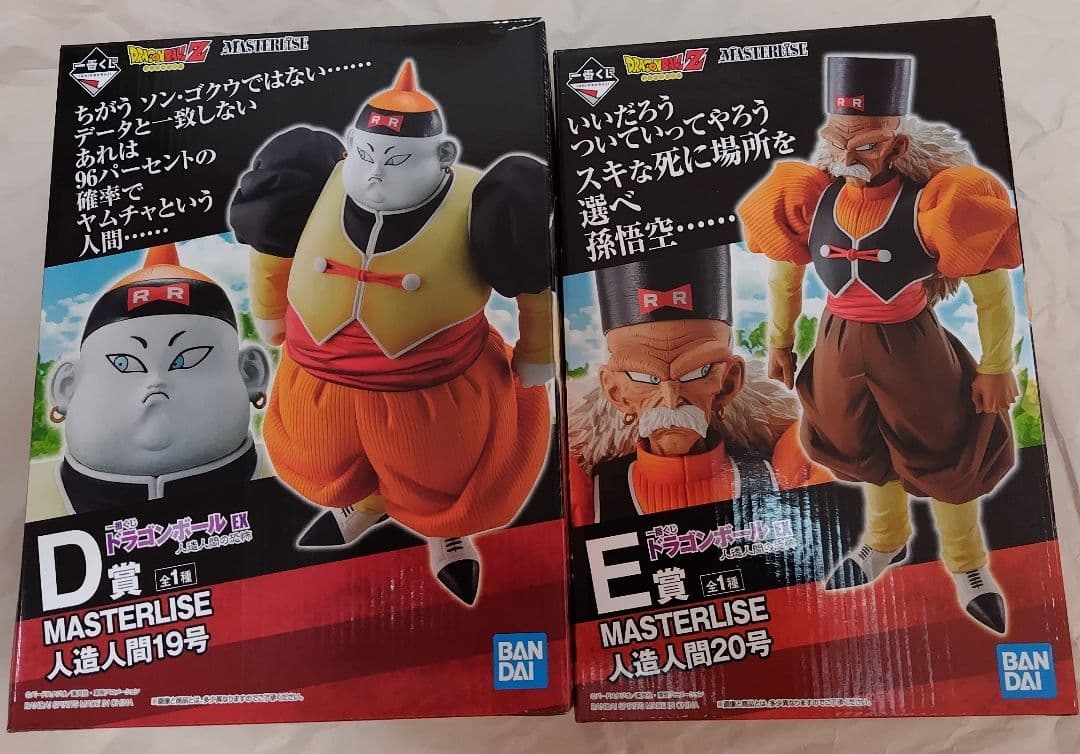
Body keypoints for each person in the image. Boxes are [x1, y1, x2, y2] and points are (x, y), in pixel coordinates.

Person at [229, 59, 554, 605]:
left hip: (435, 387)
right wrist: (269, 312)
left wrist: (538, 350)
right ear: (349, 145)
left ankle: (446, 531)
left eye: (398, 159)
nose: (375, 172)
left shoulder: (484, 199)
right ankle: (366, 503)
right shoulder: (311, 181)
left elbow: (531, 282)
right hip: (321, 378)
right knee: (328, 457)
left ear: (443, 156)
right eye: (365, 154)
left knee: (441, 472)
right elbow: (272, 250)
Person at [737, 54, 1021, 633]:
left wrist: (995, 366)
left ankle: (967, 564)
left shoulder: (934, 204)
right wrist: (781, 343)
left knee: (945, 454)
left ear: (896, 144)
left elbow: (993, 293)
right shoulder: (810, 200)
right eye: (838, 143)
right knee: (860, 448)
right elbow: (784, 278)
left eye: (865, 145)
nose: (848, 158)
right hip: (837, 344)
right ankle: (885, 541)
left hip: (913, 346)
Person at [568, 245, 830, 524]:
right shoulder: (590, 498)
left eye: (695, 372)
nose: (671, 399)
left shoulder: (778, 476)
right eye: (645, 378)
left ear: (728, 383)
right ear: (615, 392)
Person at [47, 243, 270, 515]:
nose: (156, 383)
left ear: (250, 374)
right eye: (124, 363)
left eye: (187, 359)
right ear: (67, 387)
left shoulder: (291, 480)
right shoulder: (27, 496)